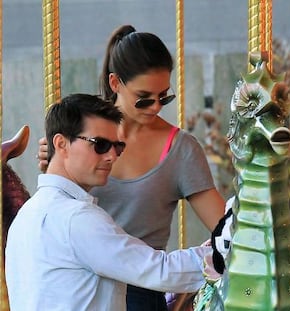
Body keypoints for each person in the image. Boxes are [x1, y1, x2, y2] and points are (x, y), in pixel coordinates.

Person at [37, 25, 225, 310]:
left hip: (139, 285)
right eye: (144, 98)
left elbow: (222, 226)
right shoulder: (80, 139)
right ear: (115, 84)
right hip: (78, 279)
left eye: (164, 97)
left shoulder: (181, 149)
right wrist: (56, 163)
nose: (155, 107)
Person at [6, 94, 212, 311]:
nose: (112, 156)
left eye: (118, 147)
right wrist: (223, 254)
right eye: (100, 145)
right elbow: (160, 271)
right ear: (61, 143)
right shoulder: (77, 218)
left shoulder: (27, 213)